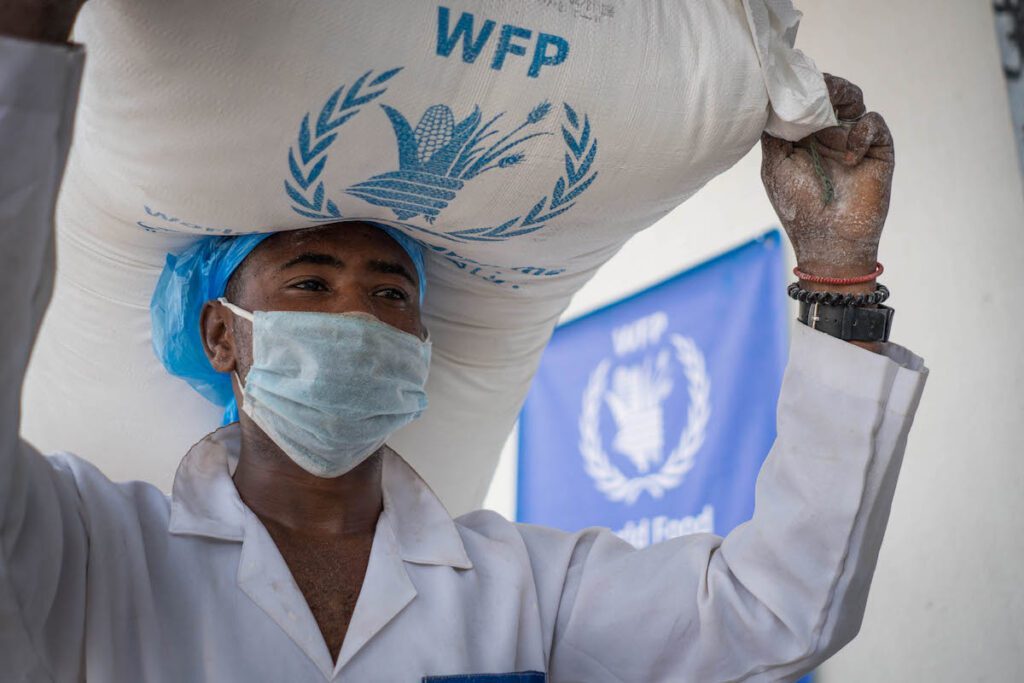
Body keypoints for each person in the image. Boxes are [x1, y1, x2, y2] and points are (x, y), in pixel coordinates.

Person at [0, 3, 927, 682]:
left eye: (393, 292)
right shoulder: (93, 548)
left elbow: (773, 615)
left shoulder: (523, 585)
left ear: (424, 343)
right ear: (222, 335)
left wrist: (838, 277)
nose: (361, 317)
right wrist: (22, 63)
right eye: (312, 282)